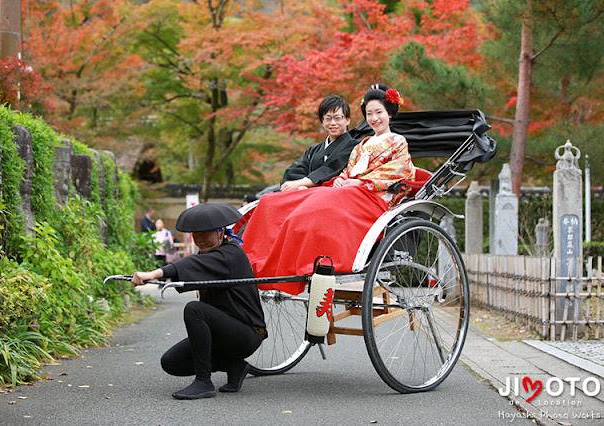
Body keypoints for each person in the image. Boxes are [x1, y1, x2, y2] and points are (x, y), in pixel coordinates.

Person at [241, 85, 415, 293]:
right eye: (369, 113)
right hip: (348, 190)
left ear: (389, 113)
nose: (374, 118)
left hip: (373, 194)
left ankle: (296, 262)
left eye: (379, 112)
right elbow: (347, 170)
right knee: (277, 200)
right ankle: (254, 257)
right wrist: (342, 180)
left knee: (315, 206)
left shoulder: (398, 141)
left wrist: (359, 182)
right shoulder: (362, 145)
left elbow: (398, 169)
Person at [132, 202, 266, 400]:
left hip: (247, 333)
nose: (200, 239)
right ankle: (234, 366)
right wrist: (152, 277)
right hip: (222, 333)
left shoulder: (230, 254)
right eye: (197, 234)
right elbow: (189, 270)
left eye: (206, 233)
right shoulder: (207, 256)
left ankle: (204, 382)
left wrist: (153, 273)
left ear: (221, 233)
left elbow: (190, 264)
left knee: (195, 309)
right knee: (171, 362)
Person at [280, 95, 359, 191]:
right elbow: (296, 170)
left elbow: (331, 169)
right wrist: (300, 186)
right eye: (328, 118)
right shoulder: (313, 150)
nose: (333, 123)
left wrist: (301, 183)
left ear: (347, 120)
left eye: (337, 118)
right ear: (322, 122)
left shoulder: (354, 147)